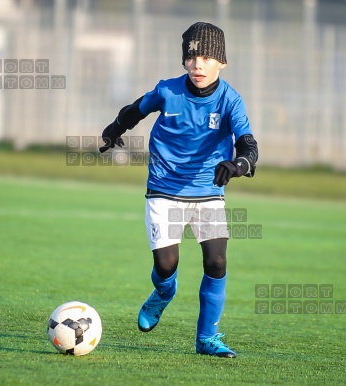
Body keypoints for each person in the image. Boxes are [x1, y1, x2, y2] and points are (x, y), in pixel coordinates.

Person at [99, 21, 258, 358]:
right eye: (191, 57)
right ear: (184, 61)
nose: (197, 64)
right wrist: (113, 130)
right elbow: (134, 110)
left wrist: (237, 165)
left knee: (216, 262)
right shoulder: (168, 91)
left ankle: (206, 339)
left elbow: (248, 146)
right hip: (164, 188)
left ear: (222, 62)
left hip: (208, 192)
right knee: (167, 266)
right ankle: (163, 292)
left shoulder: (231, 100)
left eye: (206, 58)